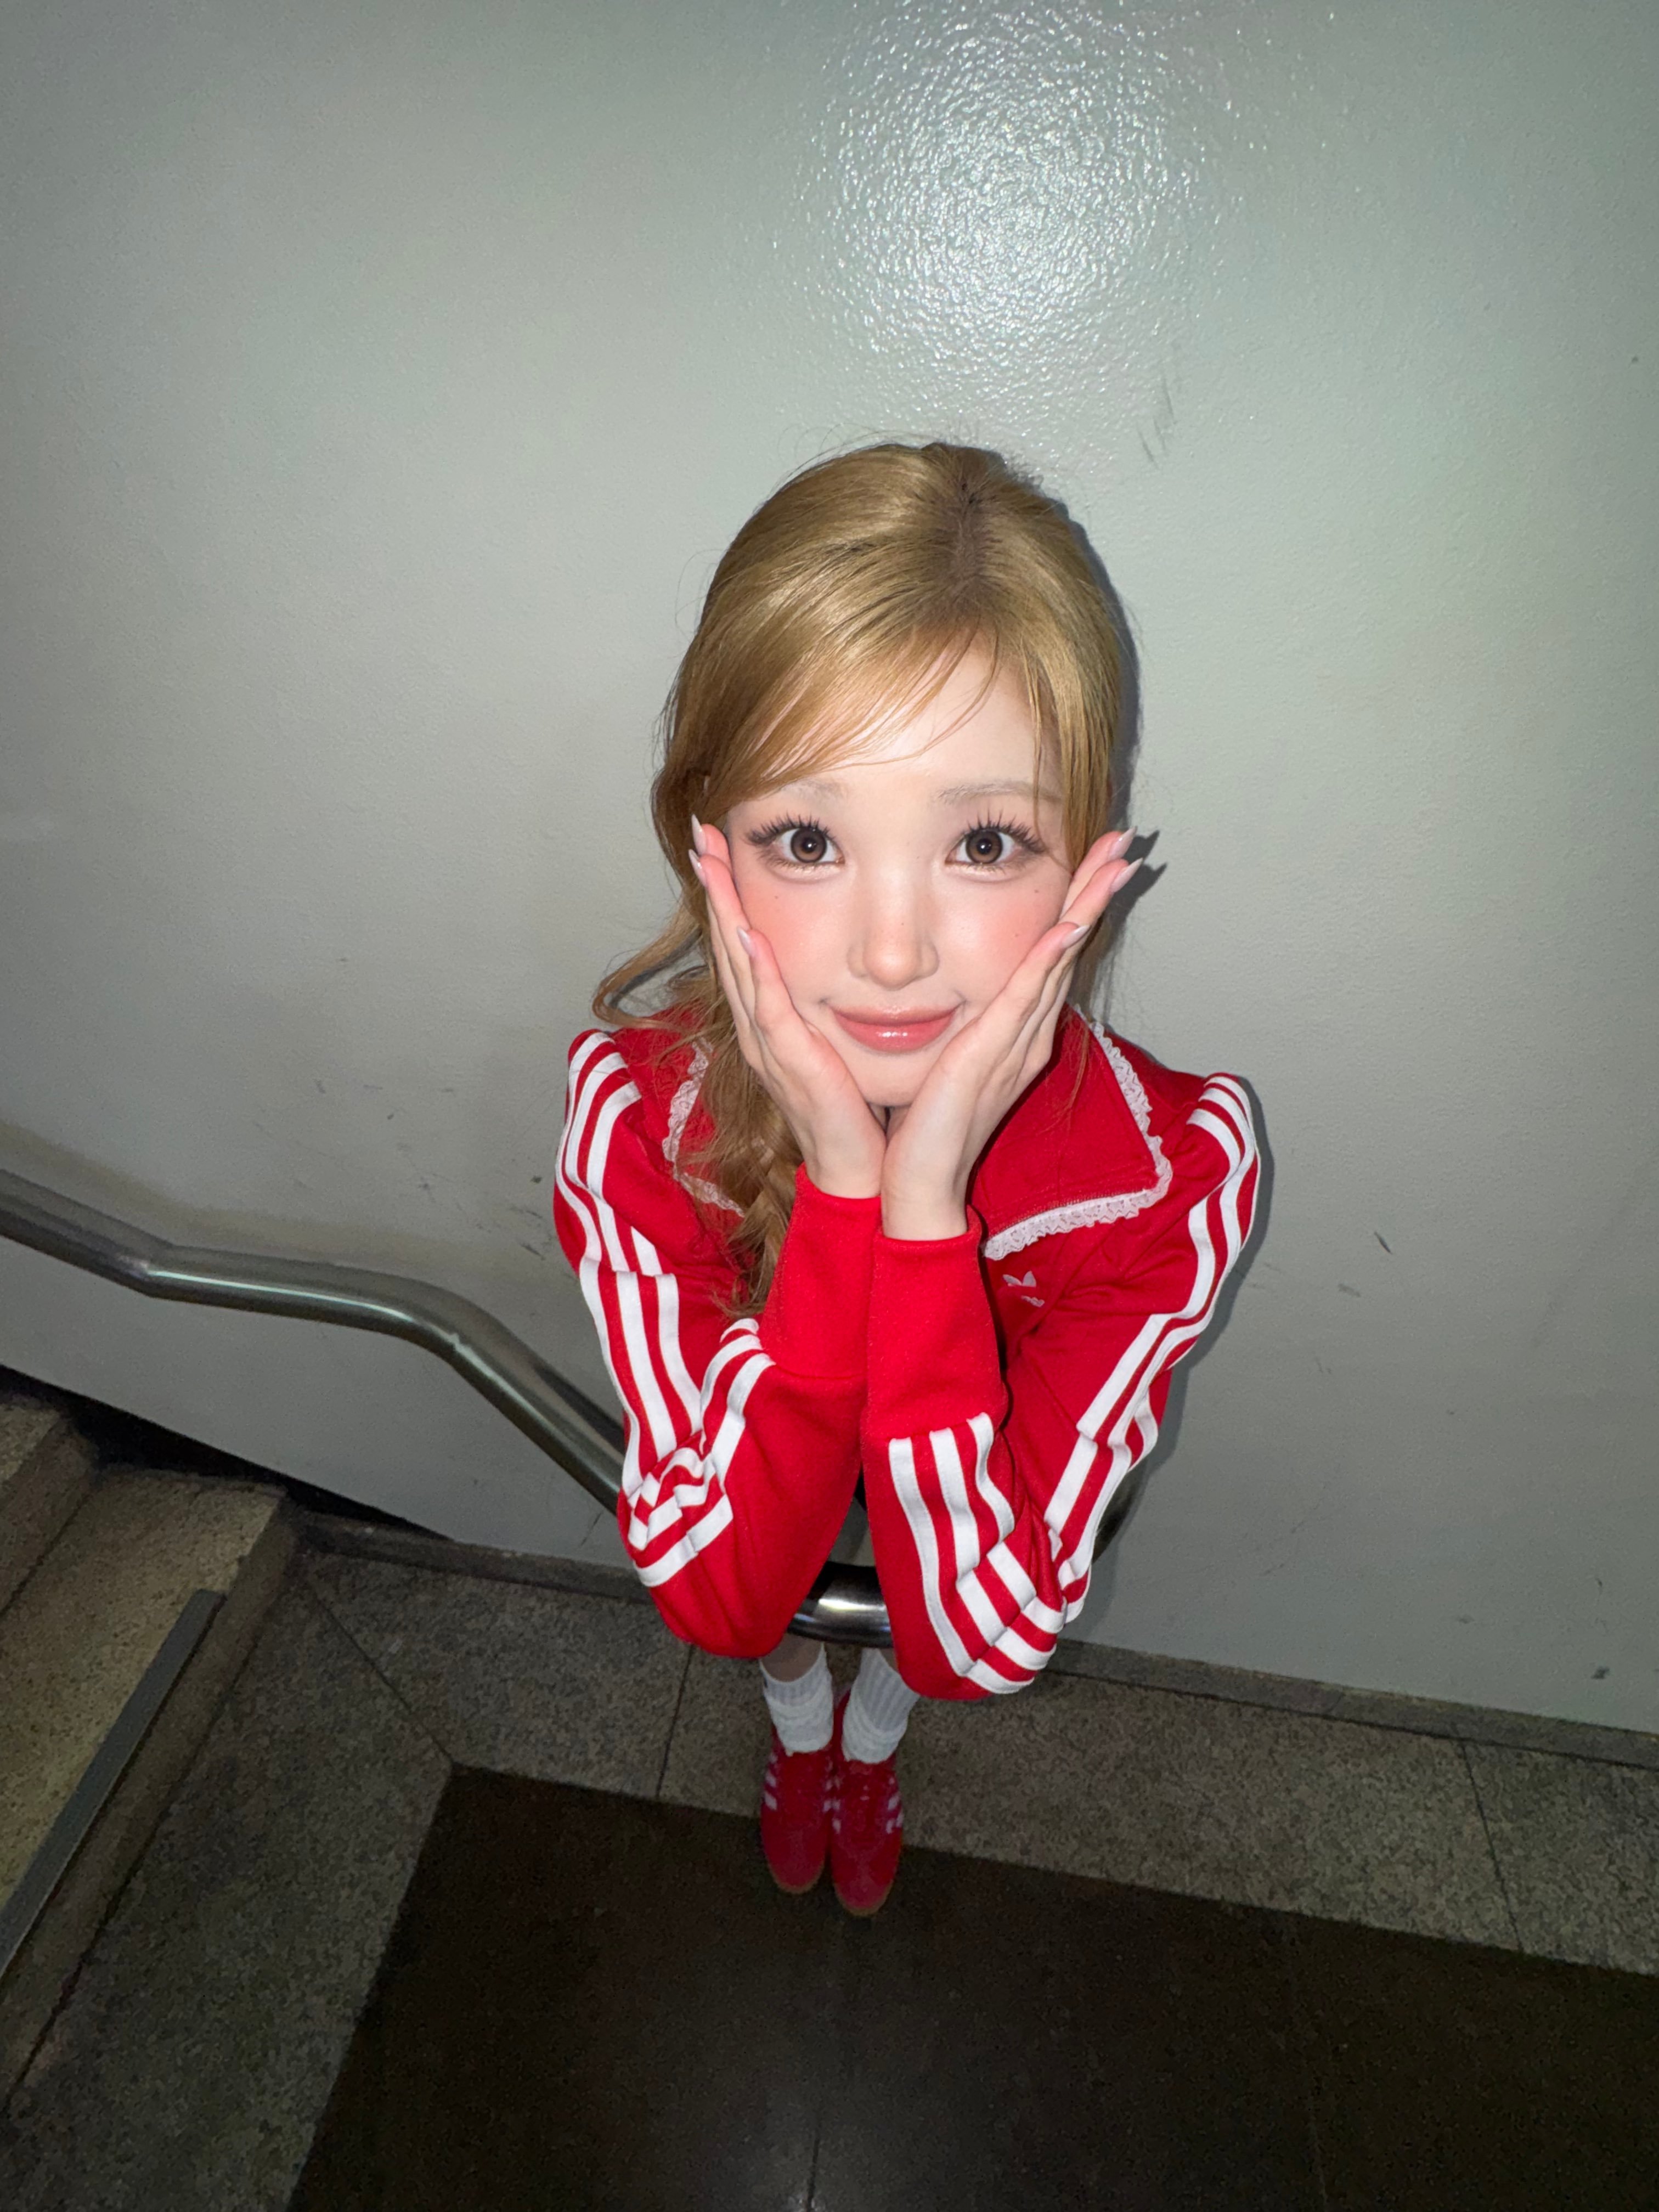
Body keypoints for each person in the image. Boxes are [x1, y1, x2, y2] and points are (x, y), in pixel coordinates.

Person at [554, 441, 1260, 1917]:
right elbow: (722, 1590)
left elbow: (979, 1641)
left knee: (917, 1610)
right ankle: (801, 1727)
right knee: (783, 1576)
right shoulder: (637, 1121)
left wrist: (923, 1208)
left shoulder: (1168, 1173)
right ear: (712, 849)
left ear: (1087, 865)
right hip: (775, 1488)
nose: (890, 955)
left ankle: (869, 1749)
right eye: (808, 839)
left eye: (984, 842)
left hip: (956, 1501)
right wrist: (838, 1186)